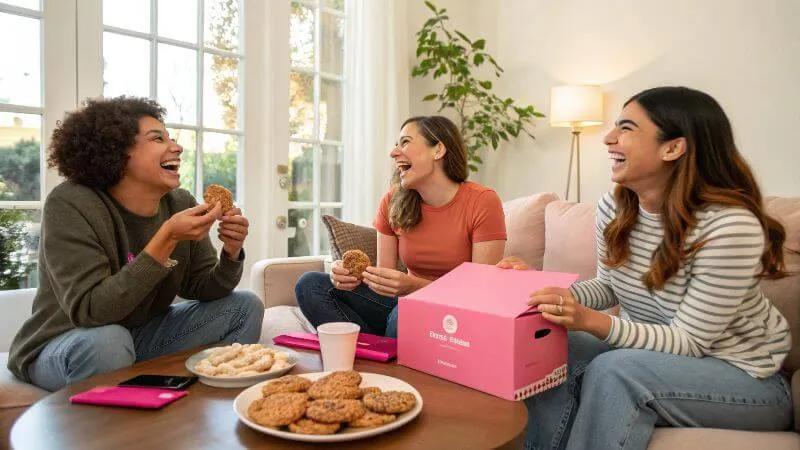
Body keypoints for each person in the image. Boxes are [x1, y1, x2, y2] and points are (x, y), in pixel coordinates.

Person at [499, 86, 793, 450]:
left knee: (616, 370)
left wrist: (592, 320)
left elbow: (690, 341)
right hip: (653, 359)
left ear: (672, 148)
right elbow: (608, 288)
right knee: (556, 344)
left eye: (625, 128)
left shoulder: (728, 226)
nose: (608, 139)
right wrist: (546, 291)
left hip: (747, 380)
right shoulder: (616, 208)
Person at [7, 97, 264, 391]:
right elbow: (91, 312)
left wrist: (231, 252)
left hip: (138, 335)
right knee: (108, 340)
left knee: (245, 306)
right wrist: (166, 238)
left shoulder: (179, 203)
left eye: (172, 139)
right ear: (116, 152)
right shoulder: (71, 203)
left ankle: (201, 407)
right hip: (68, 341)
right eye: (157, 139)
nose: (177, 148)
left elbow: (203, 288)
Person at [296, 116, 507, 337]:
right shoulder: (393, 201)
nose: (394, 152)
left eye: (405, 142)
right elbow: (383, 278)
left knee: (403, 316)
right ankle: (377, 354)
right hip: (402, 303)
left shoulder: (482, 201)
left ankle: (386, 350)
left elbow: (482, 293)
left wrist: (414, 287)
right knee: (310, 284)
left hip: (456, 311)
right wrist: (346, 276)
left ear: (438, 150)